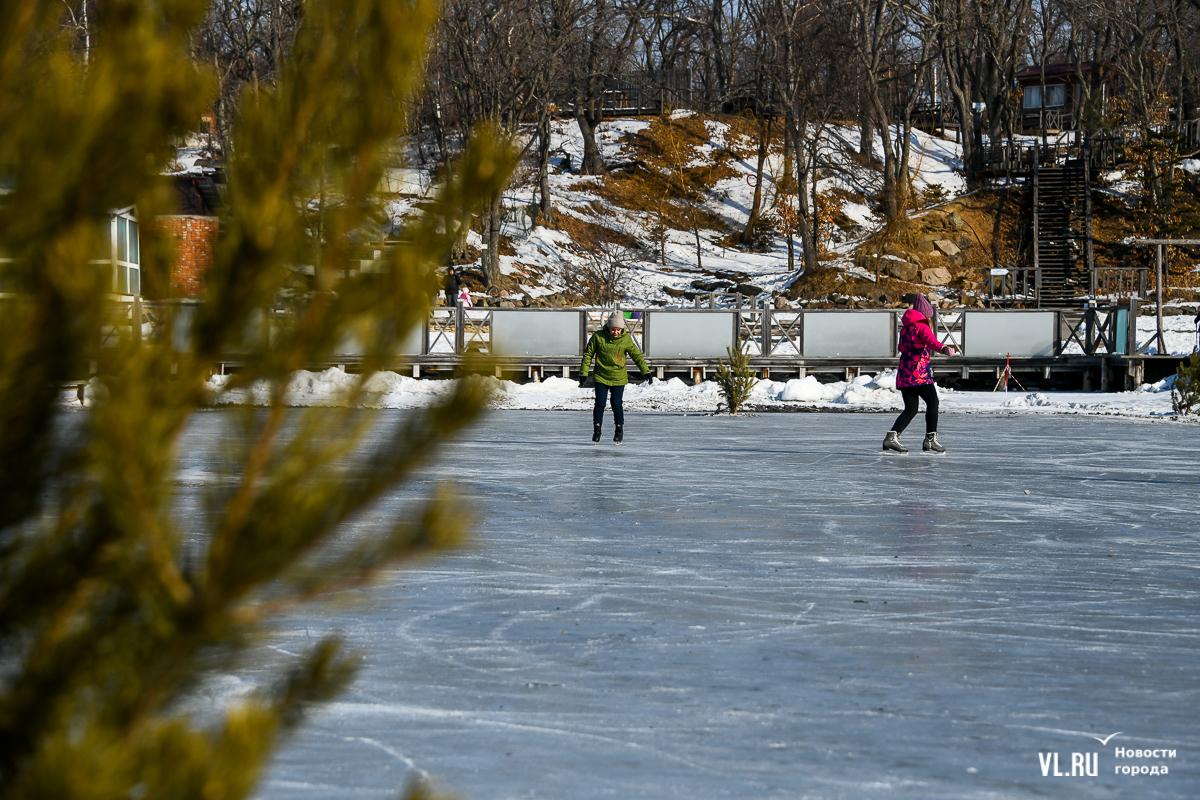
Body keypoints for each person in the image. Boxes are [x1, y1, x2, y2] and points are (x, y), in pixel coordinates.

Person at [883, 295, 957, 454]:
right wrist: (945, 349)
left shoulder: (905, 329)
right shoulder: (923, 327)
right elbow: (932, 342)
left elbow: (901, 348)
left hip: (904, 374)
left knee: (911, 409)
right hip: (919, 374)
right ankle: (931, 439)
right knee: (933, 402)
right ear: (925, 315)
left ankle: (892, 436)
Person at [580, 310, 651, 443]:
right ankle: (597, 430)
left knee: (616, 404)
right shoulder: (598, 336)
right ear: (609, 327)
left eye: (618, 329)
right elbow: (588, 354)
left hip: (619, 377)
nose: (616, 332)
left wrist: (646, 372)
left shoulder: (626, 339)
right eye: (613, 329)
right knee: (600, 403)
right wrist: (583, 373)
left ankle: (619, 430)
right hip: (601, 375)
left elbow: (637, 356)